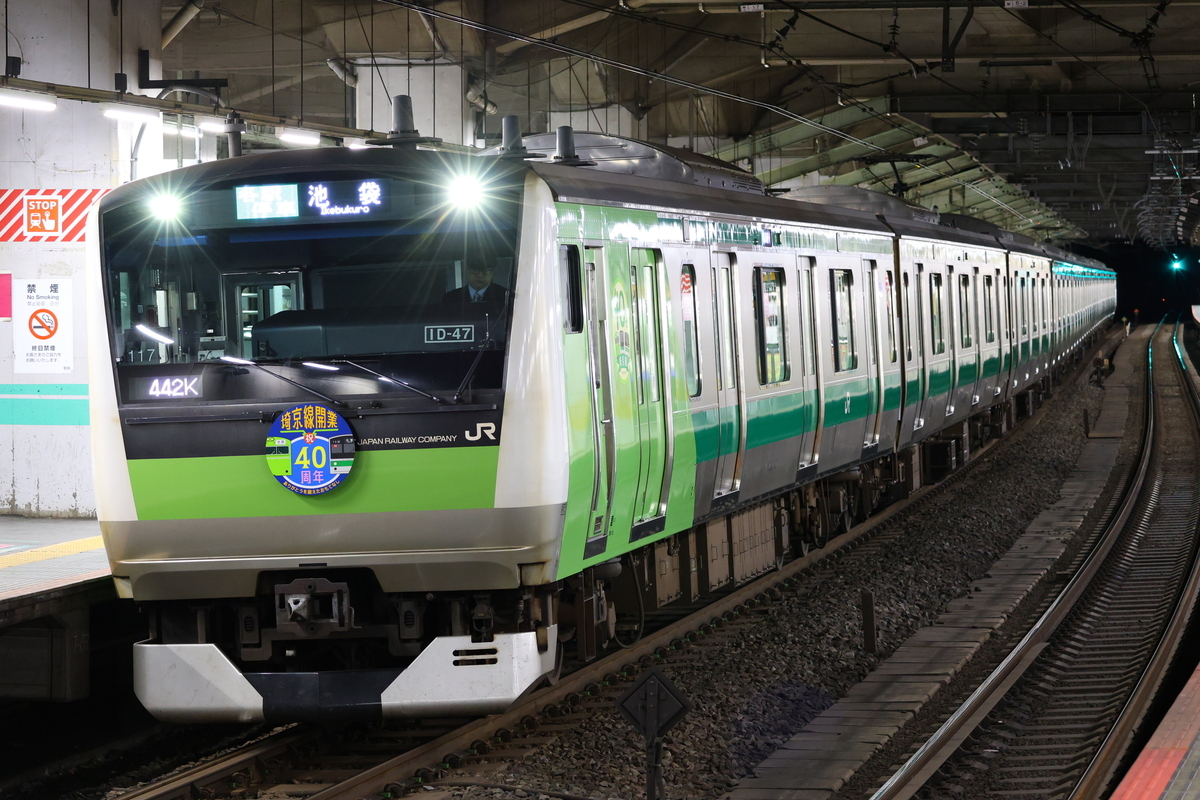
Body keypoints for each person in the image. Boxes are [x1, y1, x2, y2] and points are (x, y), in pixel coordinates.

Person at [443, 264, 508, 307]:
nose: (480, 275)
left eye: (485, 271)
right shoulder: (450, 298)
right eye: (475, 270)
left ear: (492, 273)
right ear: (466, 271)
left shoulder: (505, 296)